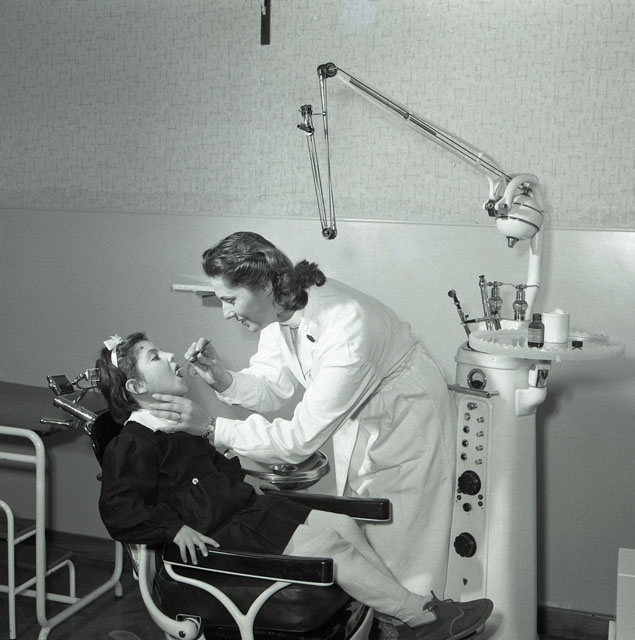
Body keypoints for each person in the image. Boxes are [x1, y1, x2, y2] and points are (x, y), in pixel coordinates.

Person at [96, 332, 492, 640]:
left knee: (343, 525)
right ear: (137, 389)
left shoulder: (181, 425)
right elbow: (119, 509)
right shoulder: (132, 444)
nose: (170, 356)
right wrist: (173, 529)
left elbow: (214, 467)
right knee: (329, 547)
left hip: (246, 514)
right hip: (215, 541)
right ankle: (419, 616)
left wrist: (247, 478)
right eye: (155, 357)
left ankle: (396, 620)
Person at [149, 231, 456, 597]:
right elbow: (271, 385)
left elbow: (296, 442)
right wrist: (224, 379)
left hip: (406, 424)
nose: (226, 312)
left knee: (406, 550)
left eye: (230, 299)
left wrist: (212, 427)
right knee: (368, 549)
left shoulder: (347, 330)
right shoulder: (281, 307)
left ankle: (422, 615)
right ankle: (403, 612)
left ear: (263, 286)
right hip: (366, 420)